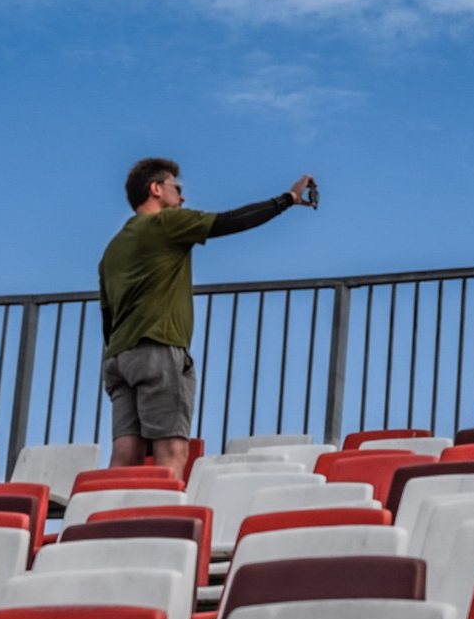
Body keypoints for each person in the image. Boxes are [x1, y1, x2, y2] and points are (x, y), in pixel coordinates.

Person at [98, 158, 317, 477]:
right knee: (171, 451)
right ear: (156, 189)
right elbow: (231, 221)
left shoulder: (112, 249)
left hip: (118, 358)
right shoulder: (164, 225)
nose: (183, 197)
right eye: (177, 188)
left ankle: (111, 522)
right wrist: (287, 199)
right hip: (159, 349)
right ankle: (159, 522)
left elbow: (108, 316)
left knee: (125, 453)